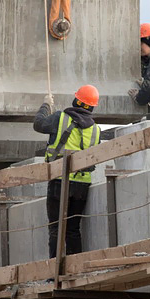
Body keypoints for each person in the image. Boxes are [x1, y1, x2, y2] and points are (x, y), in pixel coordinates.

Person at [33, 85, 101, 257]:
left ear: (76, 100)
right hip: (82, 184)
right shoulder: (96, 129)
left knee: (56, 227)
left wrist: (46, 105)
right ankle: (74, 269)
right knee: (72, 228)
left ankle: (54, 274)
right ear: (92, 106)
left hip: (59, 180)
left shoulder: (60, 118)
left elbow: (38, 124)